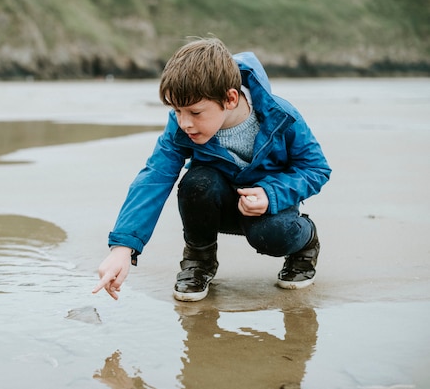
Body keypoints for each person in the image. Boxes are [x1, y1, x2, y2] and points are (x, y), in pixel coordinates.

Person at [92, 37, 331, 302]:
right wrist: (123, 247)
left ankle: (305, 245)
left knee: (272, 234)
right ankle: (199, 261)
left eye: (195, 112)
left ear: (230, 98)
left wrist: (271, 194)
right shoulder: (182, 125)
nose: (184, 123)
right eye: (177, 110)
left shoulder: (281, 116)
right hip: (218, 204)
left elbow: (316, 168)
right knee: (196, 183)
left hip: (269, 210)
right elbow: (155, 176)